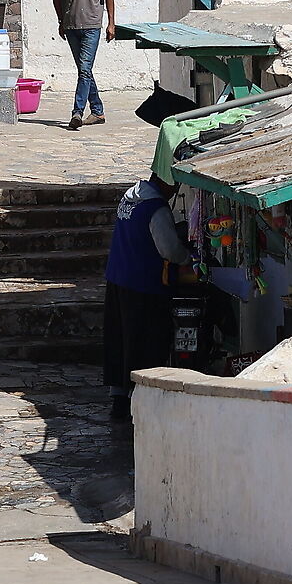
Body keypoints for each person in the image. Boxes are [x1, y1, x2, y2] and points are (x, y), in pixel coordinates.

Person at [102, 175, 188, 423]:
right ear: (167, 183)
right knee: (144, 341)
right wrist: (186, 259)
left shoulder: (131, 198)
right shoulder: (156, 208)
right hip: (143, 284)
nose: (174, 192)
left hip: (118, 277)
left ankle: (119, 397)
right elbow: (169, 249)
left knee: (120, 339)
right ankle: (139, 400)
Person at [51, 0, 115, 130]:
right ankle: (97, 111)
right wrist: (61, 20)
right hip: (71, 27)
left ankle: (77, 112)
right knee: (84, 70)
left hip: (92, 27)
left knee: (84, 70)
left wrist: (111, 23)